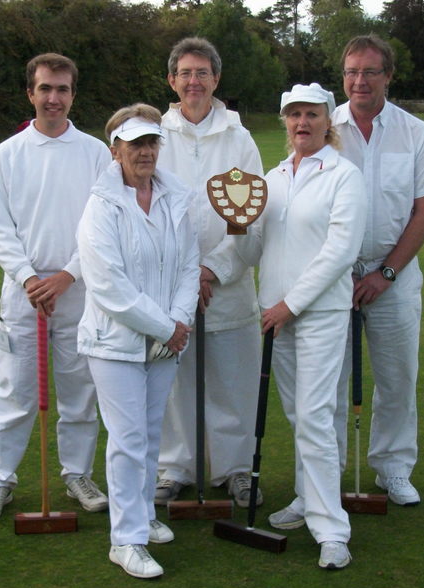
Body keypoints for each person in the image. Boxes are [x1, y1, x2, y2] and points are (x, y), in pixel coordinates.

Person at [205, 83, 367, 570]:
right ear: (285, 122)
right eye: (294, 115)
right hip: (276, 315)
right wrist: (238, 225)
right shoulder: (271, 179)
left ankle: (332, 529)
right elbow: (255, 251)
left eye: (312, 115)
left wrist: (291, 305)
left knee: (315, 417)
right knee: (301, 417)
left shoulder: (345, 176)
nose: (303, 123)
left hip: (317, 314)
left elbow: (341, 253)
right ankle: (305, 496)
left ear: (328, 122)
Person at [0, 53, 110, 522]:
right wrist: (30, 278)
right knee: (14, 393)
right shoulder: (8, 154)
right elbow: (0, 229)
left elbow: (100, 227)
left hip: (77, 289)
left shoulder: (95, 152)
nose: (54, 98)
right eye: (45, 88)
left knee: (79, 389)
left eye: (63, 90)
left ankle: (77, 474)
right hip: (23, 293)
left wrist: (68, 275)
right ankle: (0, 480)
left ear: (74, 94)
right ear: (30, 93)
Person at [76, 104, 200, 579]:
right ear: (116, 151)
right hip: (115, 344)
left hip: (167, 338)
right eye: (135, 145)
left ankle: (143, 516)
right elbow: (109, 287)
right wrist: (168, 326)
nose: (145, 152)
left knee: (150, 437)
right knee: (128, 439)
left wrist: (179, 319)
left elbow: (189, 264)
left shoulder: (175, 197)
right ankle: (124, 540)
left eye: (151, 143)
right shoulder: (100, 206)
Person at [332, 34, 424, 506]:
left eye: (370, 72)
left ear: (388, 76)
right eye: (352, 72)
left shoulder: (416, 133)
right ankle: (326, 471)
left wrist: (386, 274)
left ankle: (394, 469)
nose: (360, 81)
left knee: (398, 377)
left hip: (394, 279)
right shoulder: (324, 129)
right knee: (329, 383)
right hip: (333, 279)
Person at [155, 37, 265, 508]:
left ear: (216, 80)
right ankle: (174, 468)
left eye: (203, 73)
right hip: (168, 288)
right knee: (172, 384)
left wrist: (213, 269)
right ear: (172, 81)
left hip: (229, 287)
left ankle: (235, 470)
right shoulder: (153, 137)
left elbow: (251, 219)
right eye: (186, 73)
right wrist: (183, 275)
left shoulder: (239, 140)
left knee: (233, 382)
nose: (194, 81)